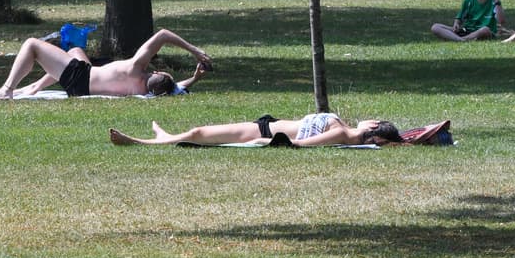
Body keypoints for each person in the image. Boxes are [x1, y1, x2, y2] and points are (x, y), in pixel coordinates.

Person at [0, 28, 212, 100]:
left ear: (157, 70)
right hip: (86, 77)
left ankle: (8, 89)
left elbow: (162, 35)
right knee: (75, 51)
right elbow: (175, 88)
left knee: (32, 45)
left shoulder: (136, 67)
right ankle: (34, 88)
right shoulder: (148, 92)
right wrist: (195, 78)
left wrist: (194, 50)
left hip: (79, 78)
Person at [109, 113, 402, 147]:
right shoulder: (344, 127)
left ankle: (141, 142)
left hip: (261, 132)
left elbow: (296, 144)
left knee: (199, 132)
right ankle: (165, 137)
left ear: (373, 129)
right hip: (265, 124)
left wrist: (268, 142)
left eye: (373, 121)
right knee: (198, 131)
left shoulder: (341, 133)